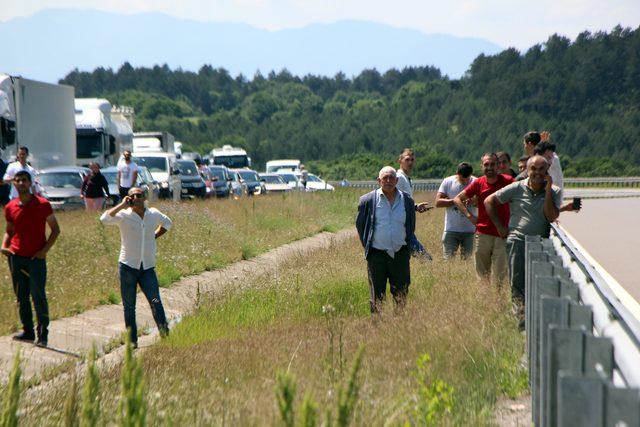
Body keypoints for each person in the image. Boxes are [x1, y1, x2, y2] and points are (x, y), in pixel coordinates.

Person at [484, 155, 561, 311]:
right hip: (517, 241)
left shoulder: (555, 191)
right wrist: (500, 226)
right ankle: (520, 318)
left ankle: (535, 314)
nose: (537, 172)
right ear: (527, 170)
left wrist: (547, 192)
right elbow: (489, 201)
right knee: (518, 282)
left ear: (547, 170)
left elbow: (551, 216)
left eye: (541, 169)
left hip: (541, 243)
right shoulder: (517, 187)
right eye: (533, 169)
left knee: (538, 283)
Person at [100, 186, 172, 347]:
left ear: (144, 197)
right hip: (128, 267)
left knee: (155, 301)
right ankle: (132, 341)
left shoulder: (153, 214)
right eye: (132, 196)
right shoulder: (124, 215)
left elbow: (168, 223)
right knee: (129, 306)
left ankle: (165, 335)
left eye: (139, 195)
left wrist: (154, 235)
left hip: (147, 268)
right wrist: (121, 205)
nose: (136, 198)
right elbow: (104, 219)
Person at [2, 170, 60, 346]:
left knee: (38, 295)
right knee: (21, 296)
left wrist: (44, 251)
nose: (21, 183)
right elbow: (9, 230)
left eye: (24, 180)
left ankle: (43, 334)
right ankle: (28, 332)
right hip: (16, 257)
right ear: (14, 183)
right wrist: (5, 246)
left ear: (30, 183)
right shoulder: (10, 206)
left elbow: (55, 230)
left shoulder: (42, 204)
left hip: (36, 259)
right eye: (18, 180)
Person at [356, 166, 416, 313]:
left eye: (391, 178)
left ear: (396, 180)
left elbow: (410, 226)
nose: (388, 181)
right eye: (385, 178)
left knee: (401, 293)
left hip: (400, 254)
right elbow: (361, 226)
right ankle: (377, 326)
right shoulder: (367, 200)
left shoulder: (407, 200)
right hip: (376, 255)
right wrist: (369, 248)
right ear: (379, 181)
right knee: (377, 295)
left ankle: (399, 325)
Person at [454, 154, 514, 286]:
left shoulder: (509, 181)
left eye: (493, 164)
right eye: (486, 165)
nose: (490, 167)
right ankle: (485, 298)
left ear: (498, 166)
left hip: (502, 234)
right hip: (483, 234)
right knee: (482, 275)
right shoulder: (478, 183)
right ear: (481, 167)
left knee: (500, 274)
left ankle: (498, 300)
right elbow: (457, 199)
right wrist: (470, 217)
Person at [435, 162, 476, 259]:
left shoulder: (475, 182)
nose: (465, 182)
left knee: (467, 261)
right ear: (457, 173)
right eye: (462, 179)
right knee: (448, 260)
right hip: (451, 229)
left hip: (470, 230)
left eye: (467, 179)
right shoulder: (447, 181)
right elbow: (437, 202)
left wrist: (472, 201)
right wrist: (455, 201)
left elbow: (481, 203)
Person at [395, 148, 431, 258]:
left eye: (412, 160)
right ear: (399, 161)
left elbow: (403, 200)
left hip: (407, 226)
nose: (410, 162)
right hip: (402, 226)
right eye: (407, 160)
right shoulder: (399, 178)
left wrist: (415, 207)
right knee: (425, 258)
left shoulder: (406, 178)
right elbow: (395, 200)